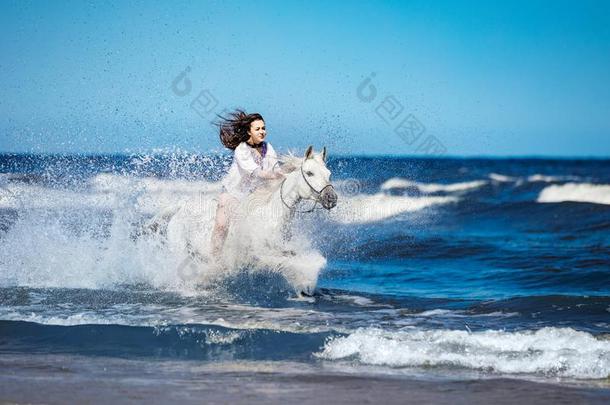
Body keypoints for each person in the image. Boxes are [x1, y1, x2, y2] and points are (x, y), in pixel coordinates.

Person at [211, 110, 284, 257]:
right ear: (249, 132)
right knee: (221, 225)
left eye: (263, 128)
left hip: (254, 193)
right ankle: (214, 257)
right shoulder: (241, 149)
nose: (262, 131)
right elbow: (258, 173)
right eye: (257, 129)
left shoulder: (268, 147)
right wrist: (277, 175)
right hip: (233, 193)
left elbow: (275, 168)